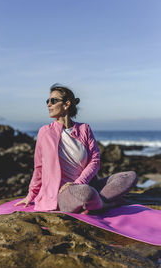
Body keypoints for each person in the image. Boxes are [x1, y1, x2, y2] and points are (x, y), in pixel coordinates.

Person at [15, 84, 137, 214]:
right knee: (86, 193)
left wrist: (78, 182)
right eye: (47, 101)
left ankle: (97, 203)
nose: (48, 104)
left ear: (66, 104)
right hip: (62, 193)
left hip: (86, 184)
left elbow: (95, 161)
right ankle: (104, 202)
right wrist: (30, 195)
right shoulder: (44, 132)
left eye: (53, 101)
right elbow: (39, 167)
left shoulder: (84, 129)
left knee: (129, 176)